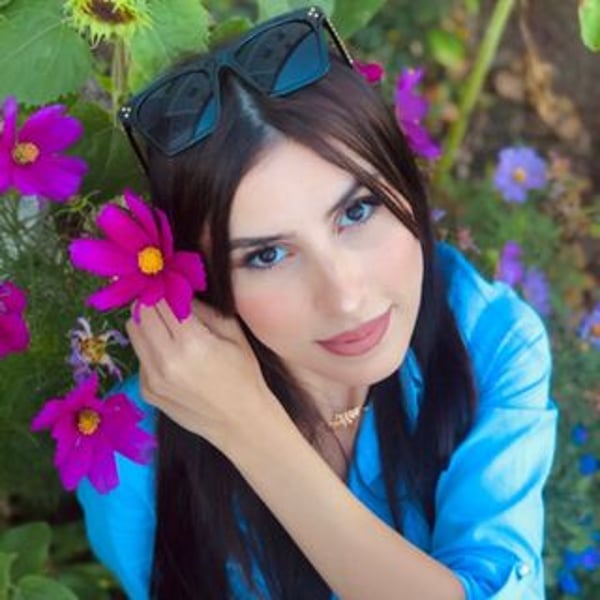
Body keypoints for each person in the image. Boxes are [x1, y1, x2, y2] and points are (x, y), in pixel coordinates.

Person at [76, 6, 558, 599]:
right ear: (201, 283)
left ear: (405, 184)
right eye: (267, 255)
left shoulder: (490, 340)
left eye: (357, 211)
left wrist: (252, 433)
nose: (347, 297)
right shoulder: (135, 455)